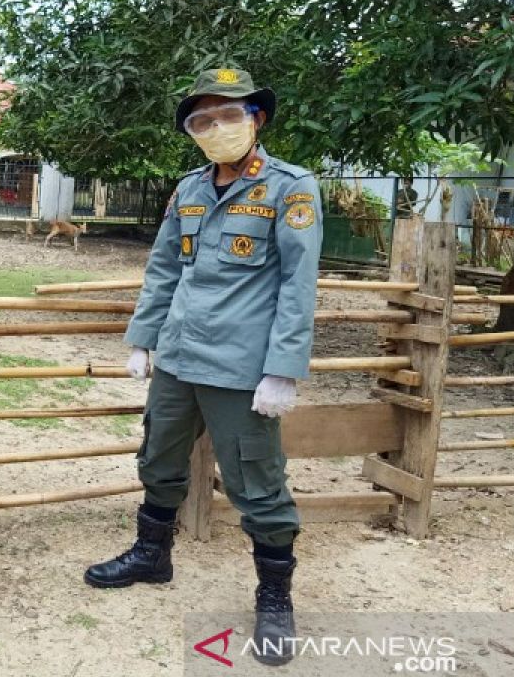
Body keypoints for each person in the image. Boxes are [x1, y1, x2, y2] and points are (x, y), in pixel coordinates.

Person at [84, 68, 322, 666]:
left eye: (228, 115)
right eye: (203, 120)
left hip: (243, 368)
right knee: (158, 458)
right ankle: (152, 554)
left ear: (257, 119)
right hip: (180, 355)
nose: (216, 128)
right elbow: (164, 267)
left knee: (256, 483)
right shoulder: (189, 189)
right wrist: (142, 338)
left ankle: (274, 599)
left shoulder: (291, 188)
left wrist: (283, 369)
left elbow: (298, 285)